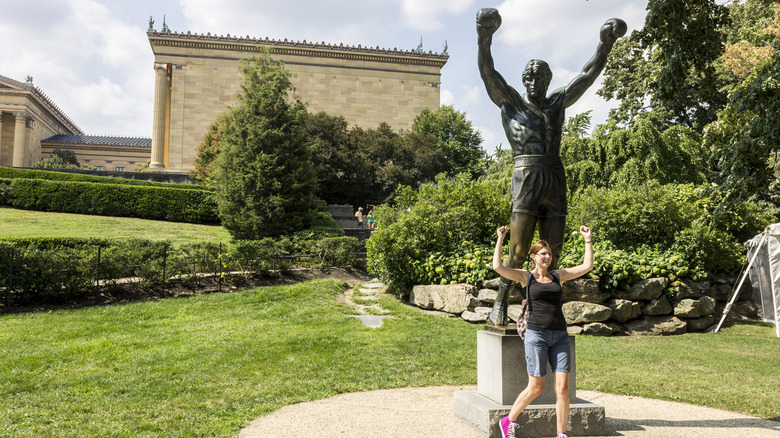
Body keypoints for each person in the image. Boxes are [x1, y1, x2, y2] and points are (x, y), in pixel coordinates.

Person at [476, 8, 625, 326]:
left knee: (551, 253)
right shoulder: (511, 102)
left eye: (540, 77)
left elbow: (587, 76)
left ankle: (539, 307)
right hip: (526, 175)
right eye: (529, 77)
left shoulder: (558, 102)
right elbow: (488, 73)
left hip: (554, 176)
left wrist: (605, 44)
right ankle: (501, 301)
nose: (534, 81)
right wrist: (484, 37)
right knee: (518, 252)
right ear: (522, 80)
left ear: (548, 80)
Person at [492, 224, 593, 438]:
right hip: (536, 336)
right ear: (534, 257)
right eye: (543, 254)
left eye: (549, 254)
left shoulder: (558, 276)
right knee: (536, 387)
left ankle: (561, 434)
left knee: (563, 388)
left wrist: (587, 239)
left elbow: (586, 266)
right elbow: (498, 267)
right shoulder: (525, 277)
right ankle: (508, 420)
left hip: (560, 336)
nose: (547, 256)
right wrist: (501, 238)